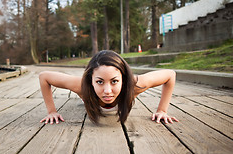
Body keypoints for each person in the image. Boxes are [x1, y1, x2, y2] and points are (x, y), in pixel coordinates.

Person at [39, 50, 179, 125]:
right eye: (100, 82)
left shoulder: (135, 85)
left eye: (114, 81)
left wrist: (162, 110)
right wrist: (51, 111)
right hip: (89, 99)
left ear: (124, 80)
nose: (107, 91)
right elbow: (44, 76)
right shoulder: (81, 86)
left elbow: (170, 75)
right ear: (90, 80)